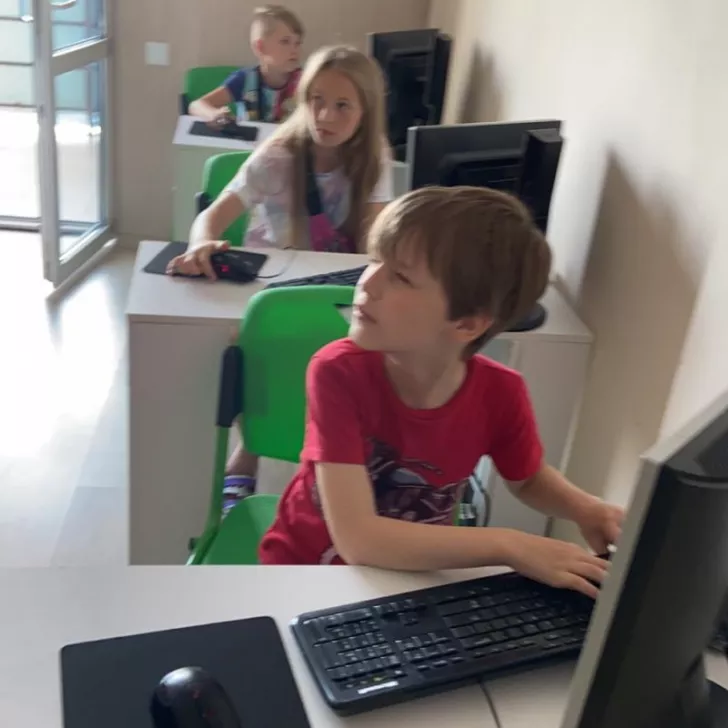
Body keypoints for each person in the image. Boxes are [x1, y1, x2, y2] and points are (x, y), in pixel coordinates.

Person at [259, 186, 625, 599]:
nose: (368, 283)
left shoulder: (501, 392)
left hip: (408, 576)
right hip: (303, 571)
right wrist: (510, 545)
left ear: (467, 324)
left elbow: (527, 479)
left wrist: (587, 509)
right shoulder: (338, 372)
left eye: (400, 277)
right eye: (375, 260)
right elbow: (359, 539)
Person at [169, 45, 393, 508]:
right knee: (264, 341)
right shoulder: (278, 157)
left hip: (334, 284)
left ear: (367, 112)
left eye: (343, 105)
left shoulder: (375, 160)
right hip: (273, 285)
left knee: (368, 349)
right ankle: (248, 453)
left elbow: (374, 240)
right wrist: (201, 244)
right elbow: (212, 216)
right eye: (317, 100)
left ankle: (338, 462)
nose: (325, 116)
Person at [189, 5, 304, 126]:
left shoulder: (306, 81)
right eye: (285, 41)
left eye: (298, 43)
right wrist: (214, 114)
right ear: (260, 47)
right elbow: (196, 106)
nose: (295, 50)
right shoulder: (245, 79)